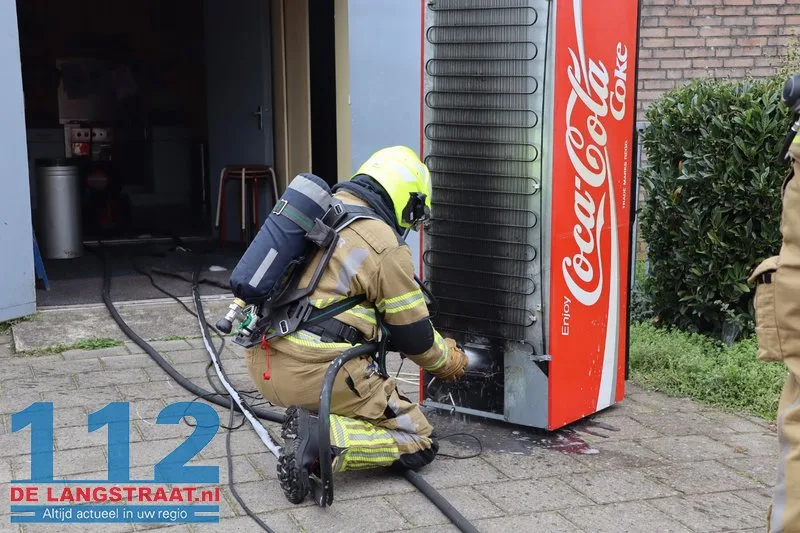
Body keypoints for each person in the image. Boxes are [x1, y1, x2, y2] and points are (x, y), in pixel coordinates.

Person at [242, 146, 468, 503]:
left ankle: (313, 421)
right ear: (407, 201)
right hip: (316, 375)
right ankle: (324, 441)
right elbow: (416, 339)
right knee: (419, 438)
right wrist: (452, 362)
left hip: (263, 362)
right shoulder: (383, 243)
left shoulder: (322, 211)